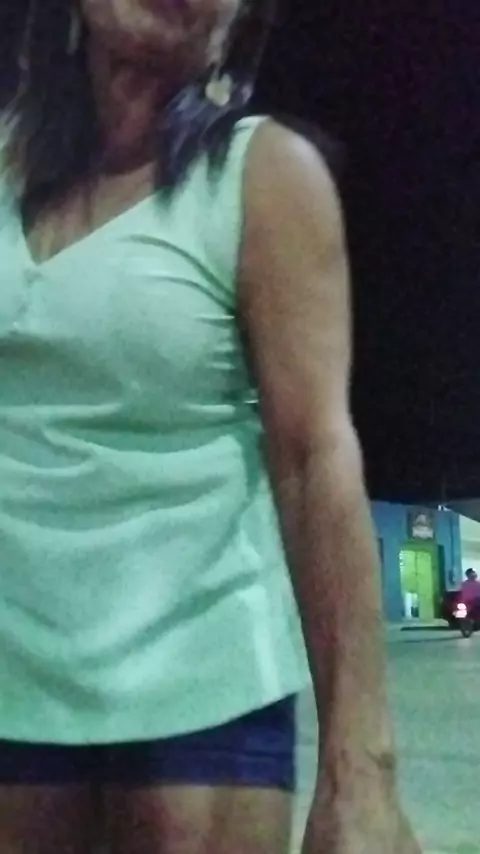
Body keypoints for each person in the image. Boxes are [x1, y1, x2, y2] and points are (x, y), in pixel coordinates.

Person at [0, 1, 421, 852]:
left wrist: (361, 772)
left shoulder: (264, 175)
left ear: (236, 23)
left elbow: (314, 459)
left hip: (203, 702)